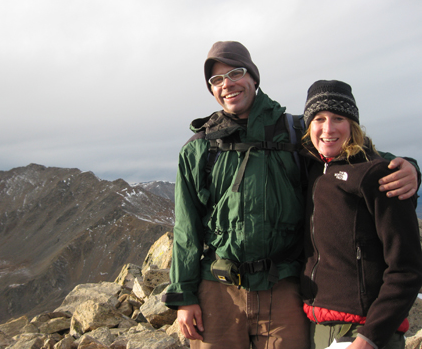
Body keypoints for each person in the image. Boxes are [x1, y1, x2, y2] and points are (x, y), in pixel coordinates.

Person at [162, 41, 420, 349]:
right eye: (216, 80)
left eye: (236, 73)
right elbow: (186, 230)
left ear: (253, 78)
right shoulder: (199, 148)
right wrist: (184, 297)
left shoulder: (294, 131)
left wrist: (411, 168)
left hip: (284, 287)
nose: (227, 84)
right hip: (219, 290)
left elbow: (354, 157)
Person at [300, 80, 422, 349]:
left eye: (338, 118)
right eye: (319, 118)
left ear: (353, 125)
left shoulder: (378, 175)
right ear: (309, 126)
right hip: (319, 328)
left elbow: (407, 267)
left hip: (366, 333)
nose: (328, 128)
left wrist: (369, 336)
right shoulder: (313, 170)